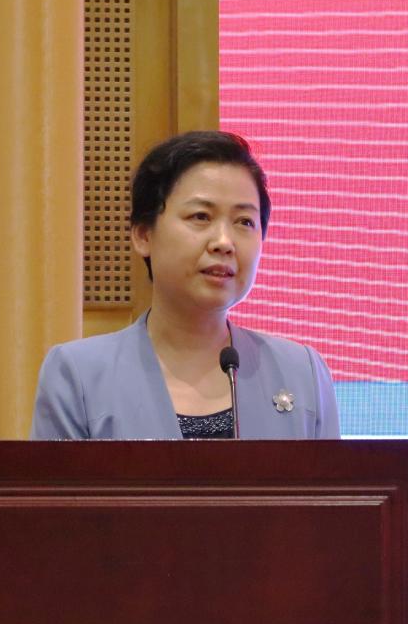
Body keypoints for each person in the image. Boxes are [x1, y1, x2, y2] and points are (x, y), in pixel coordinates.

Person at [30, 130, 340, 440]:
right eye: (201, 216)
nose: (224, 242)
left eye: (244, 221)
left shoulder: (303, 375)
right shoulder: (78, 377)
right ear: (143, 234)